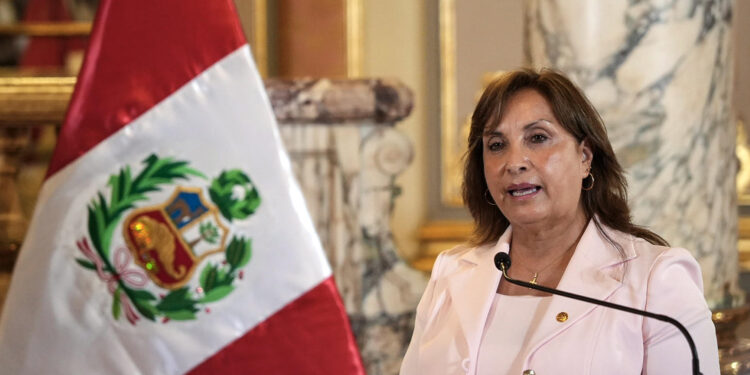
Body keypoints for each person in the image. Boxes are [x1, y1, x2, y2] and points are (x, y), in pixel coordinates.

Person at [400, 69, 720, 375]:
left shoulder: (657, 280)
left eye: (538, 138)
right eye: (496, 145)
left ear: (585, 157)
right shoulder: (451, 273)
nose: (514, 163)